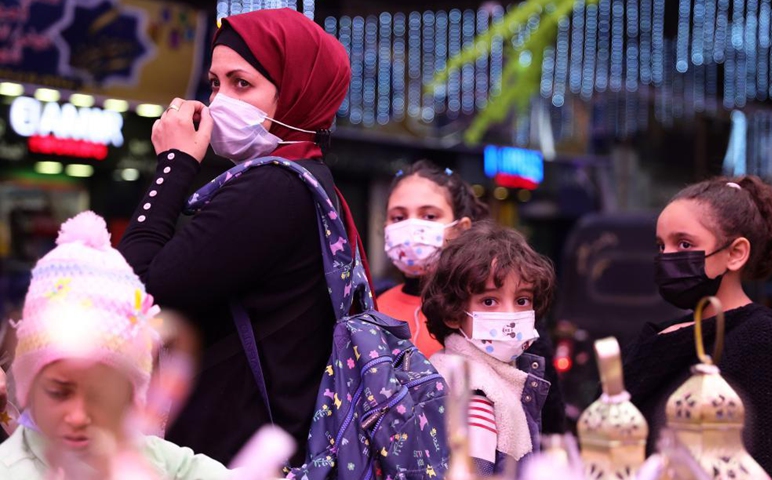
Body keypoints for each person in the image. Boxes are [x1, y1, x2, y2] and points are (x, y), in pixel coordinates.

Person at [118, 8, 363, 466]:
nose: (218, 102)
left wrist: (173, 164)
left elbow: (134, 289)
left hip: (235, 460)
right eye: (215, 83)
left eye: (242, 84)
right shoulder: (308, 185)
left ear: (297, 91)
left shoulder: (274, 188)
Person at [0, 211, 230, 479]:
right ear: (29, 387)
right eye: (59, 392)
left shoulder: (158, 460)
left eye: (101, 395)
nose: (78, 416)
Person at [623, 176, 772, 479]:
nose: (667, 257)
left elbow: (757, 458)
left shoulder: (759, 336)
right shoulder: (667, 332)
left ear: (735, 253)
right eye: (661, 245)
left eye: (684, 244)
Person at [422, 221, 555, 476]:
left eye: (522, 300)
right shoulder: (477, 398)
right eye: (489, 301)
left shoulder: (450, 366)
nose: (510, 314)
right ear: (453, 314)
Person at [379, 160, 489, 358]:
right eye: (398, 218)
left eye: (429, 216)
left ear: (460, 228)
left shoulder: (489, 305)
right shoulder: (373, 307)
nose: (412, 227)